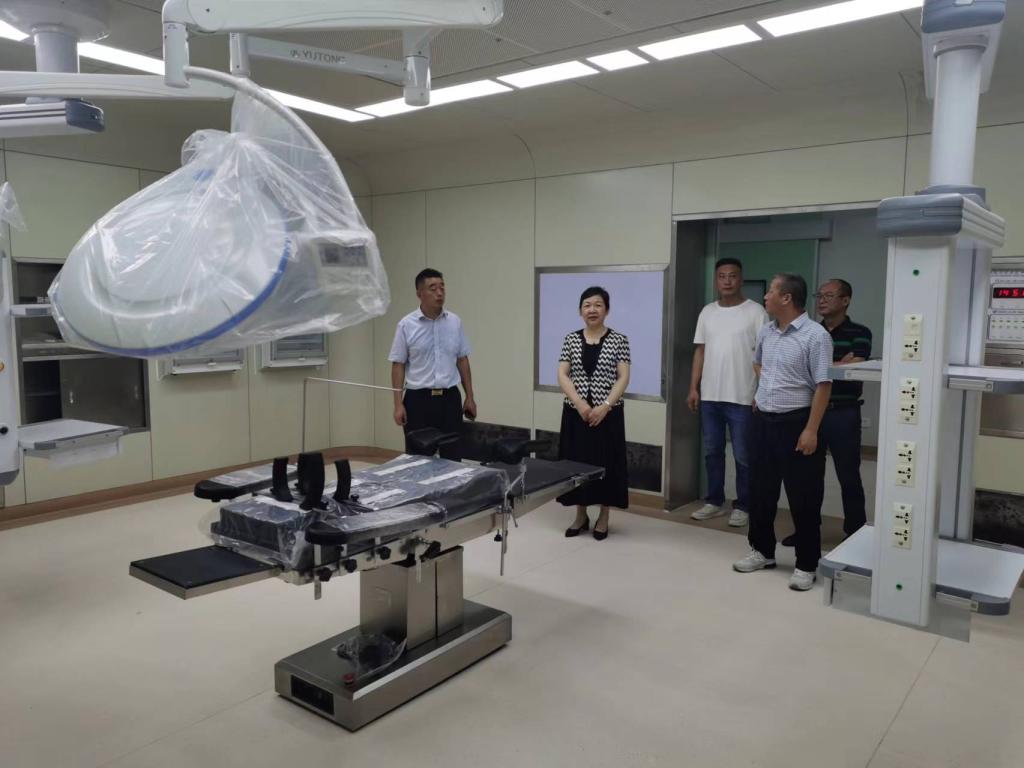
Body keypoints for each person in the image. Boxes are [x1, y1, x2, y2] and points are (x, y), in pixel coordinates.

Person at [732, 274, 833, 592]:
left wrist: (811, 429)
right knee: (760, 492)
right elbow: (757, 363)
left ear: (787, 298)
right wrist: (766, 389)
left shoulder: (816, 336)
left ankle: (807, 564)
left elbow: (824, 386)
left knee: (804, 497)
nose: (765, 297)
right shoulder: (767, 331)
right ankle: (762, 551)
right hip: (762, 421)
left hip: (798, 423)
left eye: (771, 292)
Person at [782, 279, 872, 545]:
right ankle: (807, 532)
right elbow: (800, 367)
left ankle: (855, 534)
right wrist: (837, 363)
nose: (821, 300)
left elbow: (855, 365)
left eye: (829, 296)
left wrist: (823, 366)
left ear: (845, 300)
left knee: (849, 475)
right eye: (819, 295)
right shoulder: (809, 331)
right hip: (811, 412)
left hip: (843, 413)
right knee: (808, 477)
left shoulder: (860, 332)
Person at [688, 257, 768, 527]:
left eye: (732, 276)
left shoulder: (756, 312)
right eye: (722, 276)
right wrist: (693, 387)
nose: (727, 281)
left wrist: (762, 391)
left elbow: (765, 355)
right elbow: (700, 351)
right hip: (710, 396)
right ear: (716, 280)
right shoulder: (707, 312)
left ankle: (744, 505)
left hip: (742, 396)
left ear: (741, 279)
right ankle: (714, 501)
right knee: (712, 452)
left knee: (743, 455)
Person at [556, 286, 631, 541]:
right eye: (587, 305)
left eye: (598, 305)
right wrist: (579, 403)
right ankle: (580, 515)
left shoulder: (619, 340)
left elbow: (623, 377)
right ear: (580, 311)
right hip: (576, 414)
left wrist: (605, 405)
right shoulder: (570, 339)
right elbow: (562, 374)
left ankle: (604, 516)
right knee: (577, 465)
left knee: (606, 463)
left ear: (606, 310)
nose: (592, 310)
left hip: (608, 415)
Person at [389, 268, 477, 461]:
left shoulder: (455, 322)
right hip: (418, 401)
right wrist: (397, 404)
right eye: (433, 288)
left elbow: (462, 359)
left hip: (449, 398)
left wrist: (470, 396)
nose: (439, 292)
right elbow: (398, 364)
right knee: (418, 460)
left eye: (442, 287)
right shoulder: (406, 325)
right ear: (419, 293)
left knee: (452, 457)